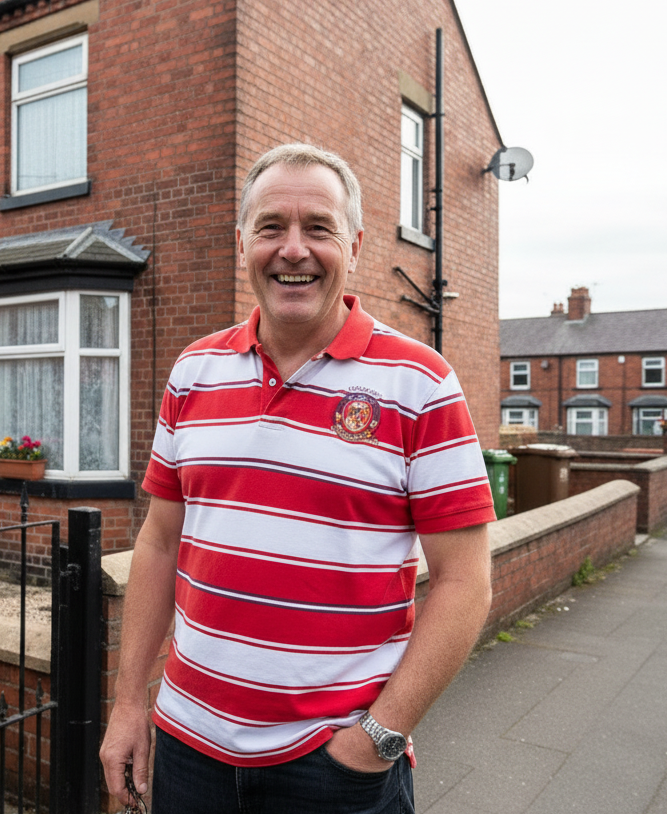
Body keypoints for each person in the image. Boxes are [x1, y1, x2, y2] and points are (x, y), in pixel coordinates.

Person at [100, 143, 496, 813]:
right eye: (270, 227)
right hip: (189, 750)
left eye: (317, 227)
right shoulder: (194, 372)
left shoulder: (418, 383)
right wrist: (127, 702)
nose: (292, 249)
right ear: (242, 241)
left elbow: (465, 582)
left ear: (355, 244)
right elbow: (159, 542)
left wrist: (376, 737)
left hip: (333, 766)